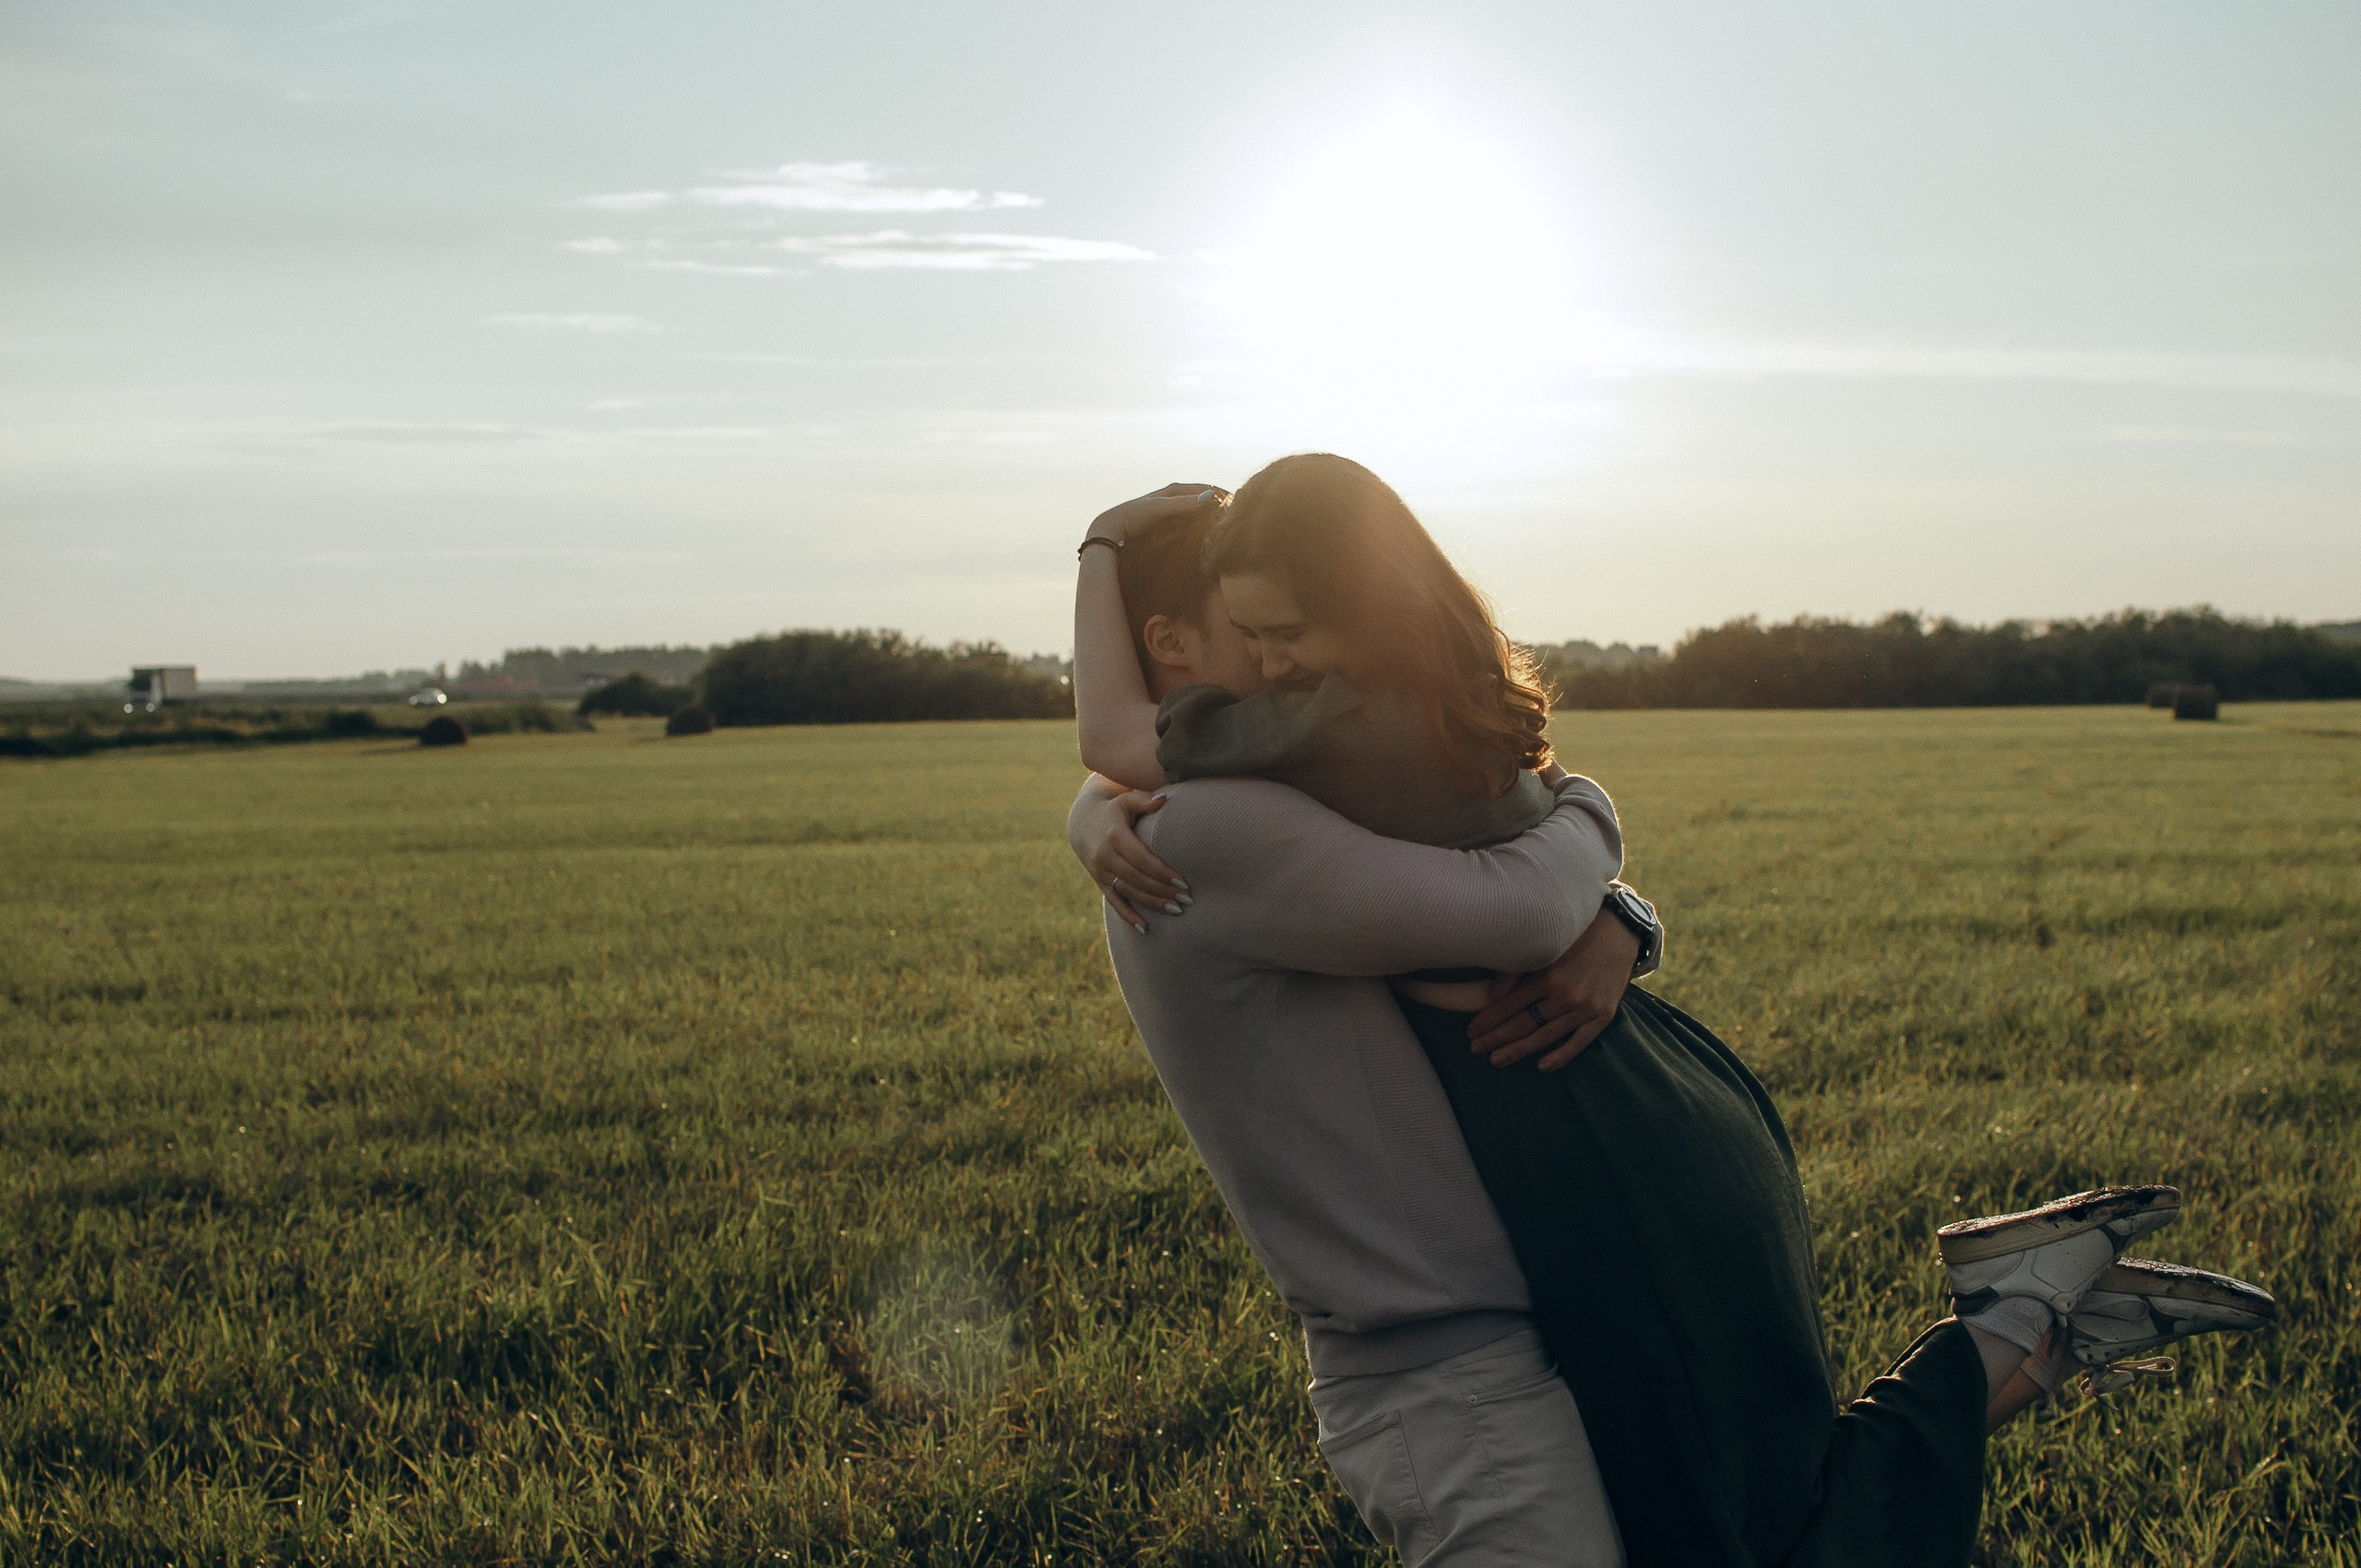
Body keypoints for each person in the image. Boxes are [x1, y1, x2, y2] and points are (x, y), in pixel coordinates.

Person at [1068, 463, 2275, 1566]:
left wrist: (1610, 907)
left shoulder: (1265, 783)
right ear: (1175, 635)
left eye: (1286, 631)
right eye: (1256, 634)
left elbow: (1515, 911)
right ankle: (2028, 1322)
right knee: (1780, 1523)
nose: (1280, 666)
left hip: (1548, 1280)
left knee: (1767, 1524)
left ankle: (2025, 1318)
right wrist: (1613, 885)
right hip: (1617, 1202)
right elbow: (1516, 883)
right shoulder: (1268, 793)